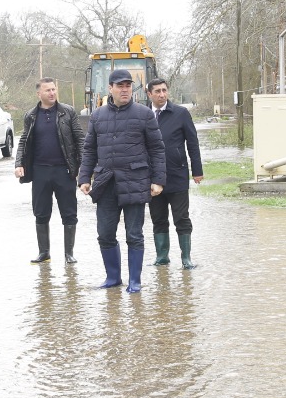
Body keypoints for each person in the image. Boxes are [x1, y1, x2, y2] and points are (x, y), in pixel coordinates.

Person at [79, 69, 165, 293]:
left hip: (135, 181)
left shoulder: (144, 114)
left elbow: (157, 149)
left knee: (134, 235)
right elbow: (89, 150)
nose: (125, 89)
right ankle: (113, 278)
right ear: (110, 89)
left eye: (128, 85)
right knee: (105, 234)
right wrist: (84, 177)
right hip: (106, 182)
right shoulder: (97, 116)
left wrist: (158, 180)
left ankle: (134, 281)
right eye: (120, 86)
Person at [13, 76, 85, 264]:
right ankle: (44, 252)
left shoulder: (67, 112)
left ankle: (69, 253)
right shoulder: (30, 115)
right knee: (41, 212)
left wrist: (83, 167)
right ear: (39, 93)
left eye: (54, 89)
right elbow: (23, 141)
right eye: (48, 90)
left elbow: (79, 140)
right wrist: (19, 163)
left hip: (64, 170)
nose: (52, 93)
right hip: (40, 172)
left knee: (69, 213)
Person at [147, 77, 204, 268]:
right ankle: (162, 256)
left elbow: (193, 143)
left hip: (177, 174)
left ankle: (186, 258)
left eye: (164, 90)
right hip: (153, 178)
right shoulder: (144, 115)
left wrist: (197, 170)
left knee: (181, 217)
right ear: (149, 94)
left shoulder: (180, 113)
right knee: (158, 218)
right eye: (157, 91)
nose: (162, 94)